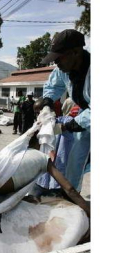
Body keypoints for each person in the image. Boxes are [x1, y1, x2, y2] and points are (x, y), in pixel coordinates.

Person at [40, 29, 90, 192]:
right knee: (75, 162)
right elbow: (53, 86)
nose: (57, 64)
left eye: (59, 58)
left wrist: (67, 126)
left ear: (76, 52)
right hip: (86, 117)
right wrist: (47, 103)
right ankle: (71, 195)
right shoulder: (63, 69)